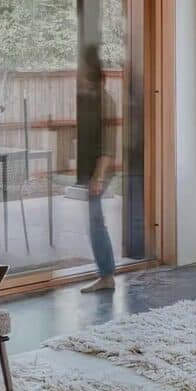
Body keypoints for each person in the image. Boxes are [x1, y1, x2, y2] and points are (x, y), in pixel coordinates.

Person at [77, 45, 117, 292]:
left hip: (100, 172)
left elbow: (108, 145)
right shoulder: (90, 98)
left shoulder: (105, 101)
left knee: (96, 222)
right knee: (94, 221)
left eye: (81, 67)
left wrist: (99, 178)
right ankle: (105, 274)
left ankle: (107, 275)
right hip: (93, 171)